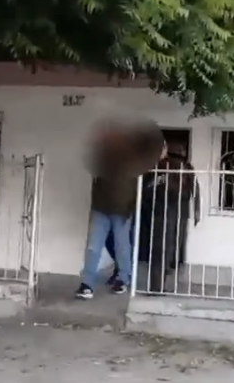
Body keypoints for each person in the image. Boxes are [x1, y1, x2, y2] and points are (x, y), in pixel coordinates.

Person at [76, 124, 164, 300]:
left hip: (122, 210)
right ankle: (87, 283)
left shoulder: (134, 160)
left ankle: (123, 278)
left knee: (121, 245)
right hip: (101, 208)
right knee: (94, 246)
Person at [139, 142, 200, 293]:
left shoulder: (159, 166)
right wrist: (197, 212)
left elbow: (145, 189)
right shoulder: (186, 167)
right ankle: (162, 283)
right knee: (172, 249)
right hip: (179, 213)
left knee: (160, 250)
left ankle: (157, 286)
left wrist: (147, 209)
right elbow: (195, 190)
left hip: (161, 213)